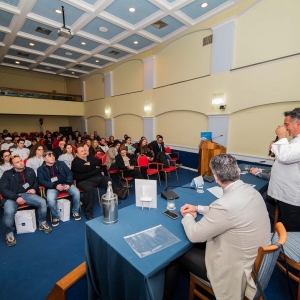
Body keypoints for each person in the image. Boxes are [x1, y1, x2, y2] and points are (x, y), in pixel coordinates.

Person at [163, 154, 270, 300]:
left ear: (217, 179)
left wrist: (188, 216)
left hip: (235, 271)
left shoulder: (225, 205)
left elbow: (194, 234)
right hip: (254, 261)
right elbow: (229, 213)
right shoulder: (252, 191)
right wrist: (198, 208)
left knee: (175, 255)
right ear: (238, 171)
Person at [0, 155, 52, 246]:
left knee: (42, 202)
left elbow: (36, 182)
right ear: (12, 165)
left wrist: (34, 189)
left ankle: (42, 222)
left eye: (21, 160)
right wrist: (16, 197)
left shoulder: (29, 170)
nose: (21, 163)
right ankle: (9, 233)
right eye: (17, 162)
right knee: (9, 211)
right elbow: (3, 189)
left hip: (27, 193)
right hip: (12, 196)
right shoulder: (7, 174)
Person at [267, 107, 300, 231]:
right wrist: (276, 148)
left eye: (287, 125)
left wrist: (281, 136)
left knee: (290, 233)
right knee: (283, 228)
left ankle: (287, 250)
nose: (285, 128)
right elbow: (286, 155)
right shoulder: (296, 140)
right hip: (284, 195)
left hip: (292, 198)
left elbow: (286, 156)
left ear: (298, 123)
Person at [37, 151, 81, 227]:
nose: (52, 157)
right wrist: (55, 186)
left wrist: (68, 183)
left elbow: (69, 173)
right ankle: (56, 216)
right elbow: (41, 181)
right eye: (49, 156)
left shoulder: (61, 163)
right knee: (50, 199)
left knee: (76, 192)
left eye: (53, 155)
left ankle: (75, 211)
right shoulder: (41, 169)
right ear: (44, 159)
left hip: (65, 183)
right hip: (52, 186)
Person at [71, 146, 112, 220]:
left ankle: (110, 200)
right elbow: (84, 170)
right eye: (82, 151)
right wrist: (96, 169)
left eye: (84, 150)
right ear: (76, 154)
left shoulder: (89, 157)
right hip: (83, 181)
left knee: (108, 180)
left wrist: (90, 163)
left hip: (95, 178)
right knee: (89, 189)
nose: (84, 152)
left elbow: (99, 162)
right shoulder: (75, 162)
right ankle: (88, 212)